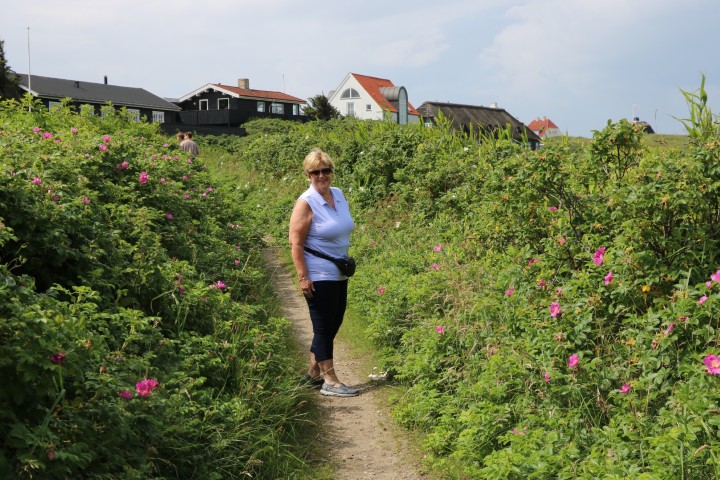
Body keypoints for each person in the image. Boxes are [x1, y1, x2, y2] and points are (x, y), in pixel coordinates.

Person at [289, 149, 358, 397]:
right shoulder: (306, 202)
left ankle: (313, 372)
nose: (321, 175)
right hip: (318, 273)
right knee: (323, 327)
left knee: (334, 322)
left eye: (325, 170)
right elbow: (296, 243)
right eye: (315, 171)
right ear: (307, 175)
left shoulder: (337, 194)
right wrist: (303, 277)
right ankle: (330, 380)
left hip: (339, 271)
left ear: (331, 171)